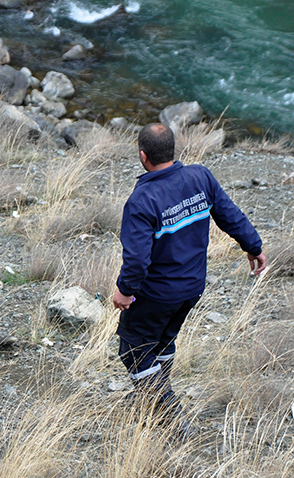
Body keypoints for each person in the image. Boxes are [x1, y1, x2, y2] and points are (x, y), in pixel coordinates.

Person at [112, 123, 267, 421]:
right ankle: (152, 395)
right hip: (193, 287)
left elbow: (137, 262)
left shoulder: (141, 201)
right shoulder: (200, 176)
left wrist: (125, 291)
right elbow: (230, 215)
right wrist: (254, 246)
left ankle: (169, 417)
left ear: (143, 156)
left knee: (134, 349)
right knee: (164, 341)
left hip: (157, 294)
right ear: (172, 149)